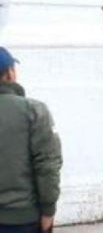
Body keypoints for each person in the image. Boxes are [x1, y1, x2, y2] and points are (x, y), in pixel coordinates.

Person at [0, 47, 62, 233]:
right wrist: (48, 211)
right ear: (10, 73)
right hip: (20, 217)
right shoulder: (33, 110)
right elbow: (47, 165)